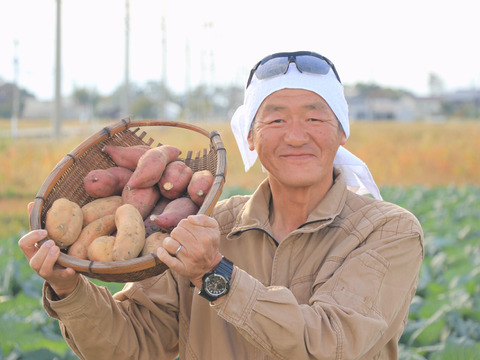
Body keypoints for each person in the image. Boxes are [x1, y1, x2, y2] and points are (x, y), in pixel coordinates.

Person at [19, 50, 424, 359]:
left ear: (341, 132)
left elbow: (329, 345)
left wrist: (216, 276)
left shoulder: (387, 232)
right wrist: (69, 289)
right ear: (250, 136)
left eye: (315, 119)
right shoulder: (210, 224)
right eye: (276, 120)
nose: (297, 136)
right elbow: (134, 343)